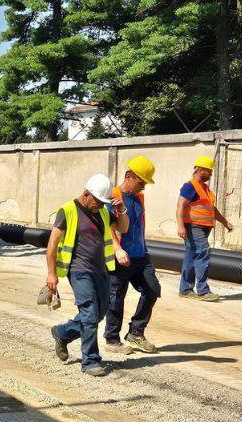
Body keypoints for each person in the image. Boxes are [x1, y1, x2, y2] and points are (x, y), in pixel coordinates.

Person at [46, 174, 129, 376]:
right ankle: (90, 361)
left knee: (98, 314)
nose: (101, 206)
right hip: (78, 270)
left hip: (101, 270)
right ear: (86, 194)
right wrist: (51, 274)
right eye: (99, 202)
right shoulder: (67, 211)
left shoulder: (103, 212)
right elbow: (52, 244)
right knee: (90, 314)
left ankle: (62, 333)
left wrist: (121, 210)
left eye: (104, 203)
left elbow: (123, 228)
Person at [104, 157, 161, 355]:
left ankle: (136, 333)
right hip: (120, 255)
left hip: (140, 254)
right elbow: (107, 226)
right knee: (116, 297)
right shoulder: (112, 196)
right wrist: (117, 249)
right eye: (141, 182)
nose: (143, 186)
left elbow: (138, 225)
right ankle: (112, 339)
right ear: (129, 176)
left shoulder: (138, 197)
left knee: (152, 289)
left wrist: (143, 248)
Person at [176, 157, 234, 302]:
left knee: (191, 256)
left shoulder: (205, 188)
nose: (211, 174)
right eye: (209, 171)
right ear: (201, 170)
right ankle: (203, 291)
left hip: (203, 227)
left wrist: (225, 222)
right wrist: (180, 226)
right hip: (193, 226)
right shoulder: (190, 186)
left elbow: (211, 209)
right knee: (203, 252)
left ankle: (185, 290)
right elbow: (180, 205)